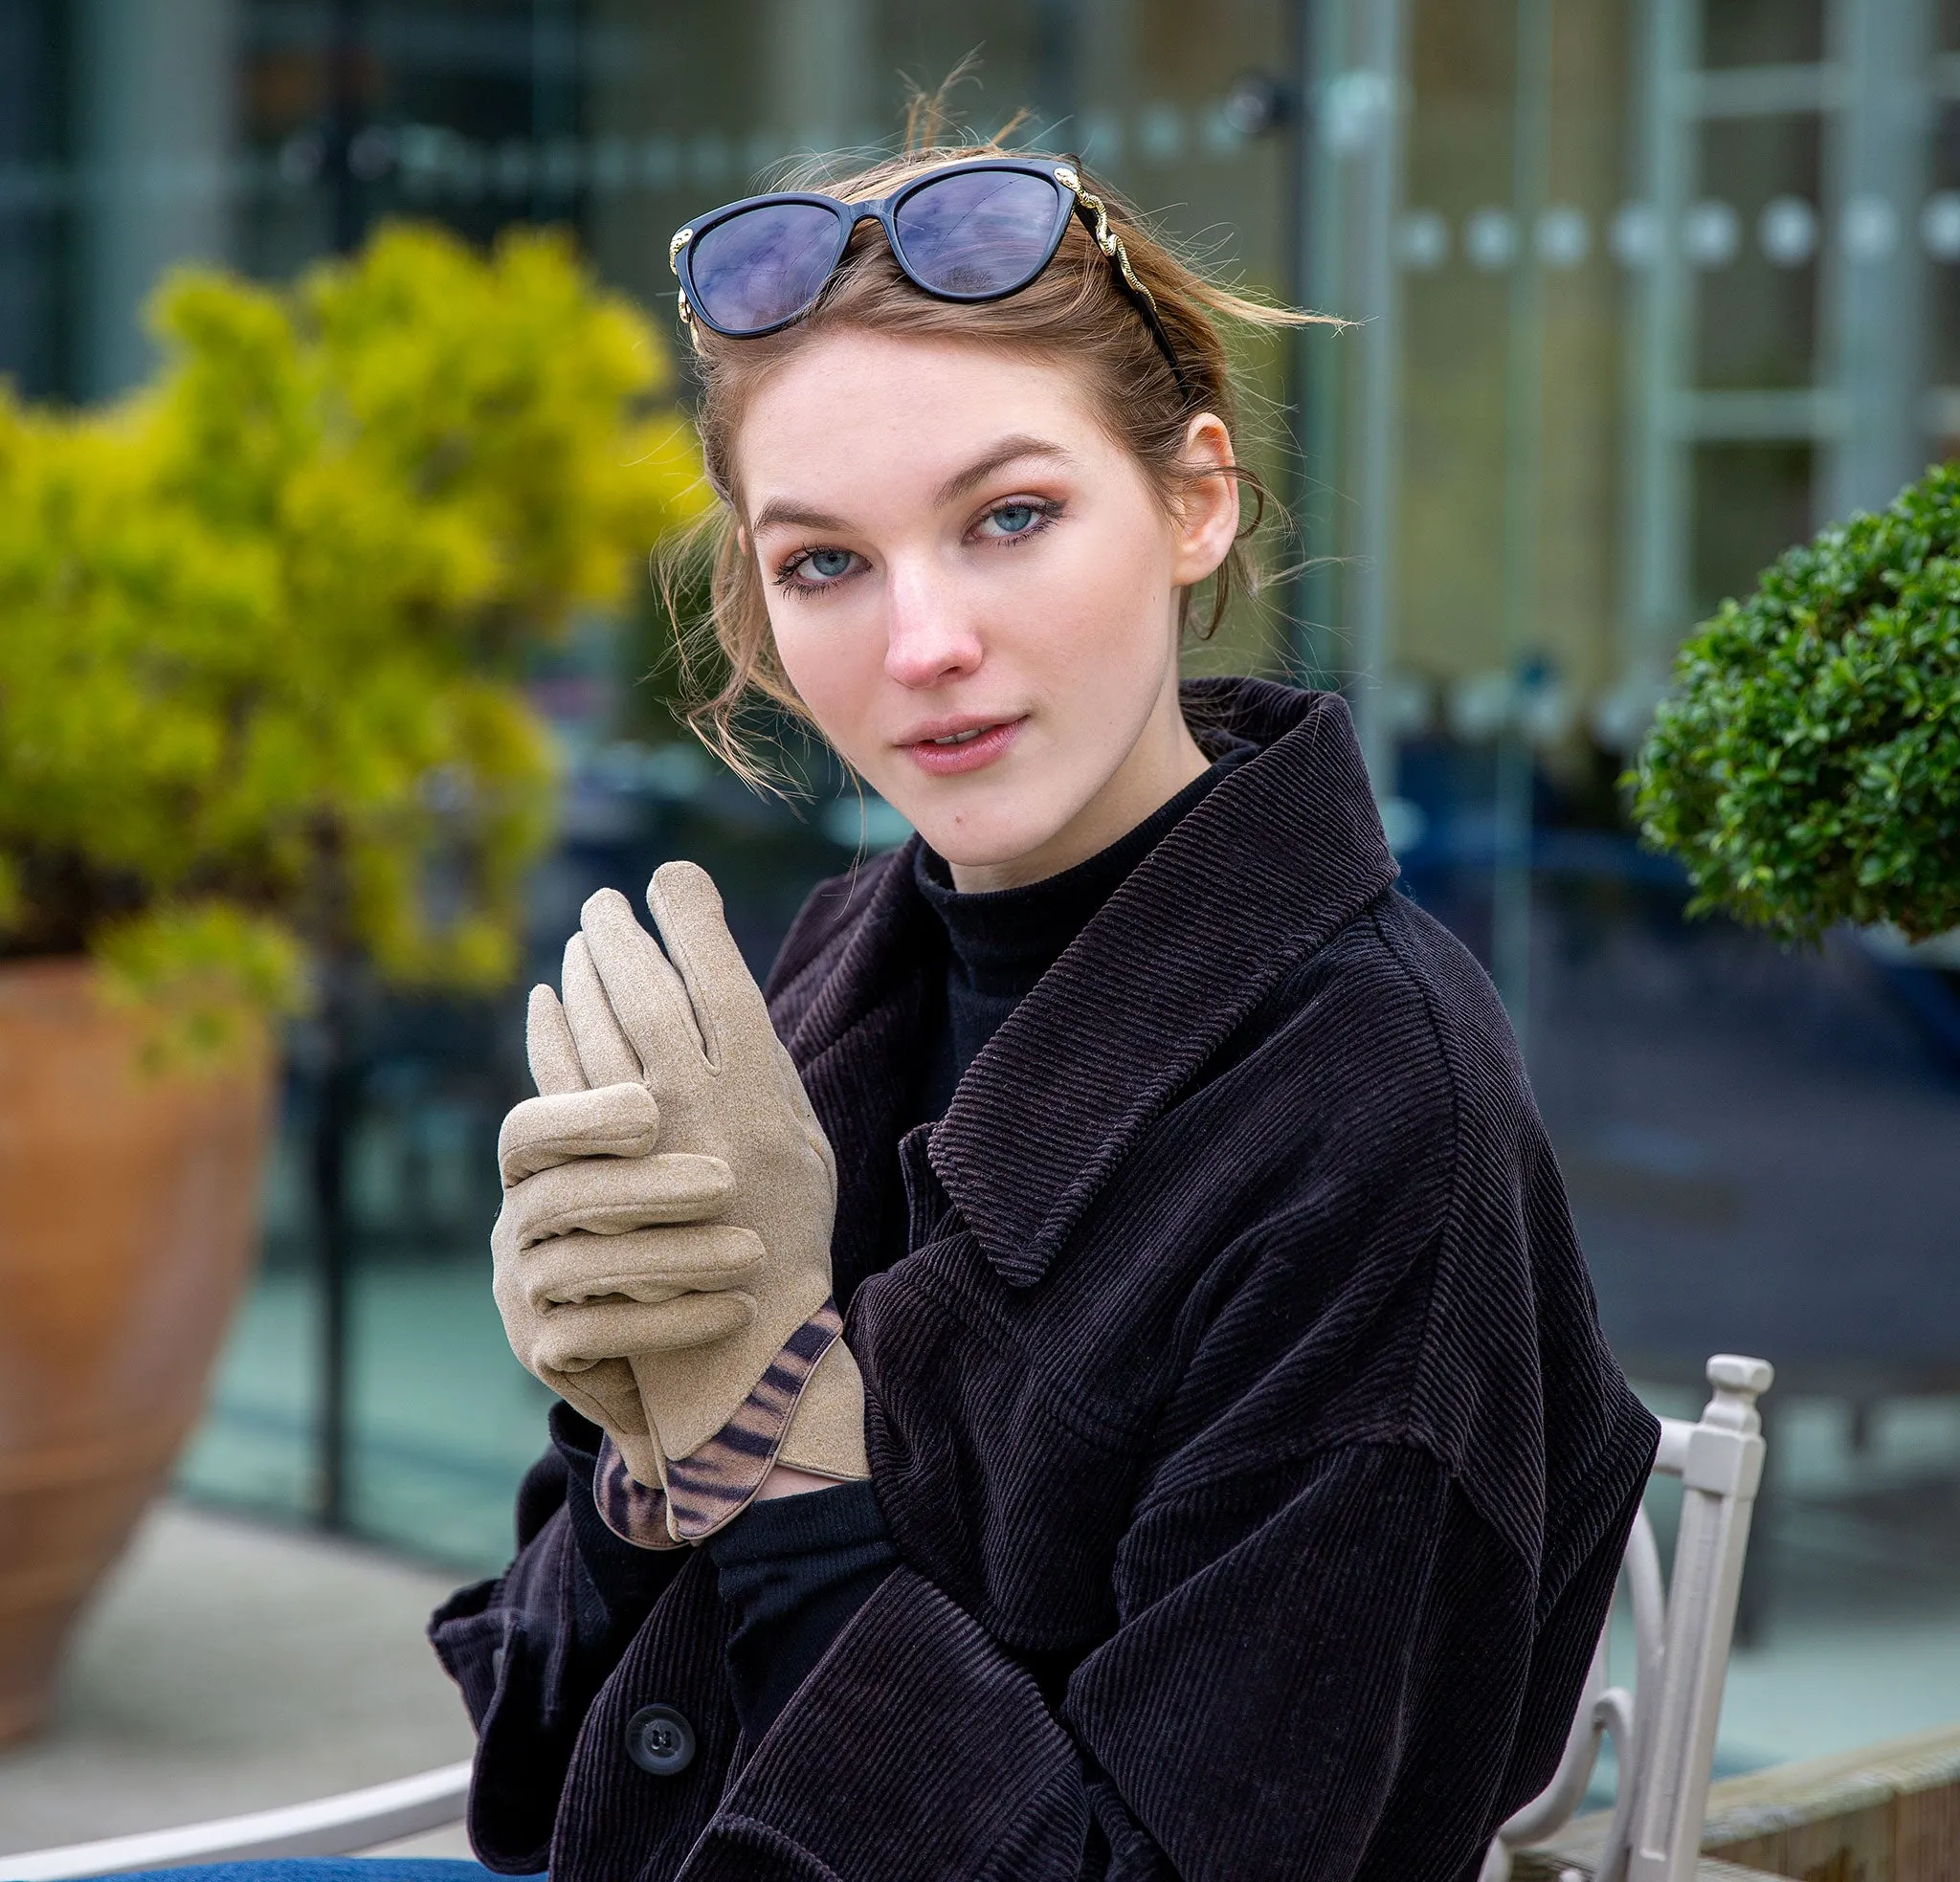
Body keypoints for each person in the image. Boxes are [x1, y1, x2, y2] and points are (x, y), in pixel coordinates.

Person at [431, 116, 1659, 1882]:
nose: (921, 641)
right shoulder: (838, 967)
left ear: (1194, 498)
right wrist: (645, 1469)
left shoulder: (1382, 1113)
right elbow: (548, 1760)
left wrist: (778, 1459)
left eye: (1009, 517)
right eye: (825, 562)